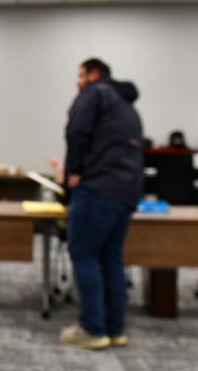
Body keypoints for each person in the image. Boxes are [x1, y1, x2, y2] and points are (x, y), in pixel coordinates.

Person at [59, 58, 144, 350]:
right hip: (126, 192)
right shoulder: (126, 105)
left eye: (80, 75)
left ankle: (93, 329)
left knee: (84, 255)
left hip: (96, 189)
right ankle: (115, 329)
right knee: (111, 258)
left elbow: (76, 133)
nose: (78, 81)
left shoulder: (93, 94)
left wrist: (72, 173)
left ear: (93, 74)